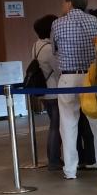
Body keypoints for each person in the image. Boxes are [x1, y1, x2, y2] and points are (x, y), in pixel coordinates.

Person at [50, 0, 97, 182]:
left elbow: (54, 50)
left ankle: (70, 170)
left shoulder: (57, 23)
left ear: (69, 3)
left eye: (63, 2)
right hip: (90, 77)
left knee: (68, 125)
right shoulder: (93, 20)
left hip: (68, 79)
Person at [30, 14, 62, 170]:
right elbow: (58, 70)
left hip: (43, 91)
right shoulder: (49, 48)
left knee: (53, 124)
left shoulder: (36, 45)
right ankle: (54, 160)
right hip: (53, 91)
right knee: (56, 126)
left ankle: (53, 159)